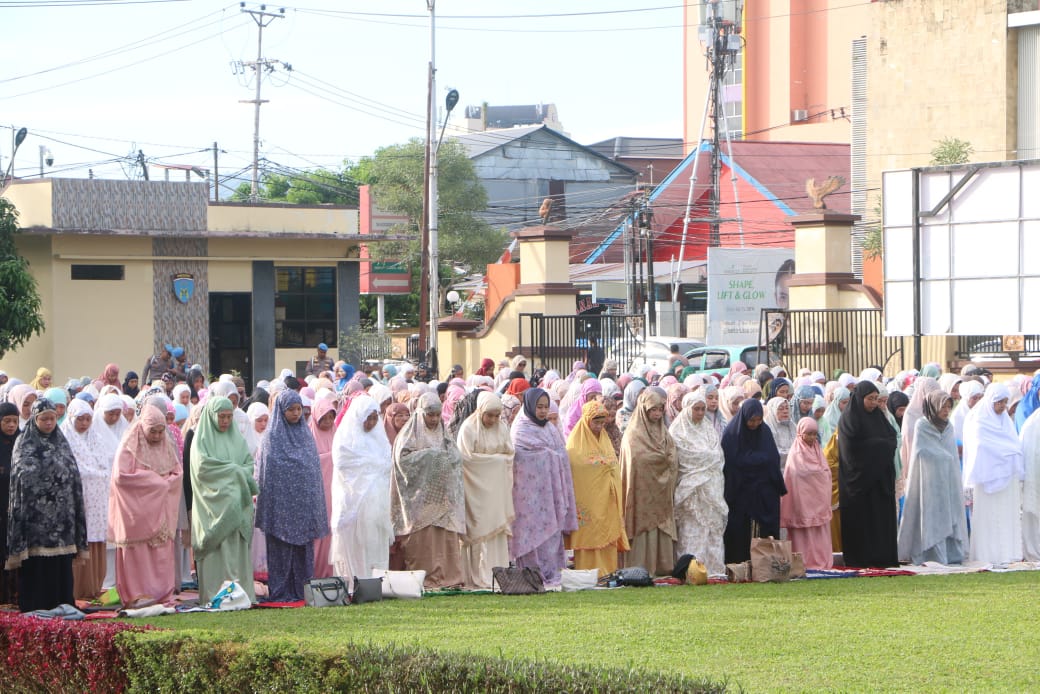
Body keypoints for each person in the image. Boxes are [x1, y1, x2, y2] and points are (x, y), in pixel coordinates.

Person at [5, 399, 89, 612]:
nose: (49, 423)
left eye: (52, 418)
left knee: (61, 566)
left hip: (62, 519)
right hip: (35, 520)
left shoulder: (61, 442)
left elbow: (72, 473)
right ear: (35, 419)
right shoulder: (24, 442)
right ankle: (36, 605)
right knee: (38, 568)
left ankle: (62, 604)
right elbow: (23, 473)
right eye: (44, 419)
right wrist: (50, 476)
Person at [254, 391, 327, 602]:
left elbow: (313, 471)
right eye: (291, 410)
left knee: (303, 551)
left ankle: (302, 589)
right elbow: (267, 474)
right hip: (281, 506)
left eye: (299, 409)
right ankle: (281, 589)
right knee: (281, 551)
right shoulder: (271, 437)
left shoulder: (306, 435)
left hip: (303, 505)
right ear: (281, 411)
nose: (296, 414)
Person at [108, 404, 183, 607]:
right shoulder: (130, 444)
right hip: (136, 514)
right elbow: (121, 477)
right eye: (153, 431)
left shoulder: (166, 443)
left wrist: (166, 483)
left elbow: (177, 472)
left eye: (161, 431)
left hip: (160, 513)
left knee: (160, 554)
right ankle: (137, 596)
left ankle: (161, 594)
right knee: (138, 557)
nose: (158, 436)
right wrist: (155, 482)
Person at [390, 392, 466, 589]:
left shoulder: (443, 432)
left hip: (441, 499)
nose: (433, 419)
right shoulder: (410, 433)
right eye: (429, 415)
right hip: (419, 500)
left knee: (444, 540)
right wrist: (431, 457)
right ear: (421, 413)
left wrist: (447, 458)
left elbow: (455, 456)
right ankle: (423, 578)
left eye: (436, 415)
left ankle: (447, 577)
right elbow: (402, 460)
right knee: (423, 542)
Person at [189, 396, 258, 605]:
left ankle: (241, 595)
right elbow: (202, 469)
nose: (226, 421)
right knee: (216, 551)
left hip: (236, 506)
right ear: (211, 417)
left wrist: (237, 475)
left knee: (236, 551)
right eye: (222, 417)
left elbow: (247, 463)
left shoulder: (236, 438)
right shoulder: (201, 441)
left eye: (229, 417)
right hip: (213, 508)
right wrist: (233, 472)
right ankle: (215, 596)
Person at [508, 388, 578, 587]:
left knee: (552, 533)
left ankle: (551, 571)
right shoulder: (520, 428)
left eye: (546, 407)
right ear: (530, 406)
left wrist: (553, 456)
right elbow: (520, 456)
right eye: (539, 407)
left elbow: (561, 452)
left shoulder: (550, 428)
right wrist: (549, 456)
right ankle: (531, 574)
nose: (542, 412)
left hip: (551, 494)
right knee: (531, 535)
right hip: (528, 496)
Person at [897, 391, 968, 565]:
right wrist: (944, 458)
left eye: (949, 406)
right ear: (933, 406)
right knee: (931, 515)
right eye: (943, 406)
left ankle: (950, 553)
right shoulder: (923, 425)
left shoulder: (948, 426)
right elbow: (922, 451)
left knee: (949, 513)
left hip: (948, 480)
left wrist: (948, 461)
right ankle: (929, 553)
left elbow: (950, 451)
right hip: (928, 479)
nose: (946, 410)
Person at [330, 395, 393, 586]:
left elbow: (385, 462)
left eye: (375, 418)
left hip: (376, 502)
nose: (371, 423)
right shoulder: (345, 437)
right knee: (354, 542)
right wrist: (369, 466)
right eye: (368, 418)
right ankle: (353, 582)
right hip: (352, 501)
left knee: (373, 541)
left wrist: (371, 467)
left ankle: (375, 583)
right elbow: (343, 463)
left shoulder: (379, 437)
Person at [456, 392, 515, 589]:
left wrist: (497, 462)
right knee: (478, 531)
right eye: (489, 415)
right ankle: (477, 576)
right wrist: (495, 461)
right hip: (475, 492)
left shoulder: (502, 429)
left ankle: (497, 574)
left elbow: (509, 455)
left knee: (495, 535)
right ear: (480, 411)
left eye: (497, 416)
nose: (493, 420)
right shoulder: (468, 429)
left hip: (496, 494)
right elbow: (465, 460)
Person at [962, 384, 1025, 565]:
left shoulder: (1006, 421)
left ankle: (1007, 553)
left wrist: (1007, 452)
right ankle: (988, 554)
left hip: (1006, 477)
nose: (1002, 407)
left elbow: (1014, 444)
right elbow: (979, 445)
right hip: (987, 476)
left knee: (1006, 515)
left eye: (1005, 402)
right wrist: (1003, 452)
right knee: (989, 517)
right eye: (1000, 402)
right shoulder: (978, 419)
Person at [565, 400, 629, 577]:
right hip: (588, 499)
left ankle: (608, 571)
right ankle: (587, 572)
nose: (600, 426)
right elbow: (576, 465)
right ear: (586, 420)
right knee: (589, 534)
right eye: (596, 422)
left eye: (602, 422)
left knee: (607, 532)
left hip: (607, 499)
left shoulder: (605, 441)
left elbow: (613, 464)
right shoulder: (575, 444)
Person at [838, 382, 899, 568]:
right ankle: (861, 557)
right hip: (859, 483)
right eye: (870, 399)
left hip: (880, 481)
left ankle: (882, 557)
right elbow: (852, 450)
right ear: (859, 398)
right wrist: (880, 446)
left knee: (880, 520)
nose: (873, 403)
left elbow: (891, 438)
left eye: (876, 399)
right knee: (862, 522)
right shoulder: (849, 419)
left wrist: (879, 445)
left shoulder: (879, 418)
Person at [619, 388, 678, 575]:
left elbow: (672, 455)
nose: (657, 414)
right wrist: (659, 460)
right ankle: (639, 567)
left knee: (661, 526)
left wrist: (663, 461)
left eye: (660, 409)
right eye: (653, 410)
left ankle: (662, 566)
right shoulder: (632, 434)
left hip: (661, 492)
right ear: (643, 409)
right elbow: (635, 460)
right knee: (642, 529)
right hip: (640, 492)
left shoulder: (664, 432)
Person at [669, 390, 728, 576]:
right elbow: (686, 456)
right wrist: (707, 458)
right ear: (687, 409)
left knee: (712, 530)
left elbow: (718, 454)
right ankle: (691, 569)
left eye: (703, 409)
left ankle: (714, 570)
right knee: (692, 532)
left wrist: (708, 459)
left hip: (712, 489)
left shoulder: (708, 429)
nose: (701, 413)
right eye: (697, 409)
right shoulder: (678, 430)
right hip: (691, 491)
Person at [721, 399, 786, 564]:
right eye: (751, 420)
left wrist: (752, 461)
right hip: (740, 491)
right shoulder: (732, 434)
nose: (755, 424)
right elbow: (732, 462)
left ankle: (766, 564)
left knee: (766, 529)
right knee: (739, 529)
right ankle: (739, 564)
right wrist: (759, 460)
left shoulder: (764, 431)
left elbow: (772, 458)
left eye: (758, 420)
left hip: (763, 490)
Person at [59, 399, 112, 600]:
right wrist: (94, 475)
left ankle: (93, 587)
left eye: (88, 419)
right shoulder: (64, 438)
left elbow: (105, 467)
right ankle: (76, 589)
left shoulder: (96, 438)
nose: (84, 423)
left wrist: (96, 475)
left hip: (97, 502)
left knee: (95, 541)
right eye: (80, 419)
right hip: (76, 501)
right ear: (71, 418)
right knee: (79, 540)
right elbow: (70, 469)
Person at [780, 418, 833, 569]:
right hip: (802, 503)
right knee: (802, 535)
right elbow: (796, 475)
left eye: (814, 434)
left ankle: (822, 562)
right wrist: (816, 474)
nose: (812, 438)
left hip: (819, 502)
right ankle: (803, 563)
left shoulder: (817, 449)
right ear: (800, 434)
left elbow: (825, 472)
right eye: (808, 434)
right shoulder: (796, 453)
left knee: (819, 533)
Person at [308, 398, 337, 579]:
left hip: (336, 492)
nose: (327, 422)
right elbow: (309, 461)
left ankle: (332, 574)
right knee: (319, 534)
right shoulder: (309, 435)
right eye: (323, 418)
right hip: (319, 492)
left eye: (330, 418)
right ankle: (315, 574)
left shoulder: (338, 433)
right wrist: (332, 457)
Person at [1, 402, 21, 604]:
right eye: (6, 421)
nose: (11, 425)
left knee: (14, 553)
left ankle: (14, 597)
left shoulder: (22, 443)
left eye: (14, 421)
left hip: (17, 510)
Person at [763, 396, 797, 471]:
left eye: (787, 408)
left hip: (794, 469)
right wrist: (794, 453)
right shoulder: (766, 428)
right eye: (781, 409)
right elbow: (772, 452)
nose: (785, 411)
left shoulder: (792, 426)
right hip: (774, 470)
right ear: (772, 411)